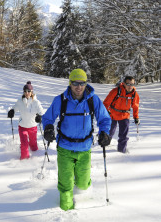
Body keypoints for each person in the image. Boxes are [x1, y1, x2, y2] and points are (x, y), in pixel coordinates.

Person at [42, 69, 111, 211]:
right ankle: (65, 215)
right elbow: (48, 117)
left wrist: (104, 133)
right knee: (66, 185)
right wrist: (48, 128)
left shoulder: (93, 100)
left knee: (83, 183)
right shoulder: (60, 100)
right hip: (65, 148)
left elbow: (104, 118)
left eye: (82, 83)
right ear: (70, 83)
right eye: (75, 83)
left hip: (85, 149)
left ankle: (80, 187)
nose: (78, 87)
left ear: (86, 84)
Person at [7, 81, 44, 160]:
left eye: (28, 91)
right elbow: (15, 108)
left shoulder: (36, 102)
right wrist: (12, 111)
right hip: (22, 126)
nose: (27, 93)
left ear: (32, 92)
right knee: (24, 144)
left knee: (33, 145)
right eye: (25, 91)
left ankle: (35, 154)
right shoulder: (20, 101)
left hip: (33, 127)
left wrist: (39, 116)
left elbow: (41, 112)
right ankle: (24, 161)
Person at [103, 76, 140, 153]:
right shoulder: (116, 91)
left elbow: (135, 106)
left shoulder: (134, 94)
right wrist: (106, 112)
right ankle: (105, 145)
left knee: (123, 135)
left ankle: (121, 151)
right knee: (110, 131)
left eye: (132, 84)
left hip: (125, 115)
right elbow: (106, 103)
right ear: (123, 83)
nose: (130, 86)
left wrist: (136, 117)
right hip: (113, 114)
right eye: (128, 84)